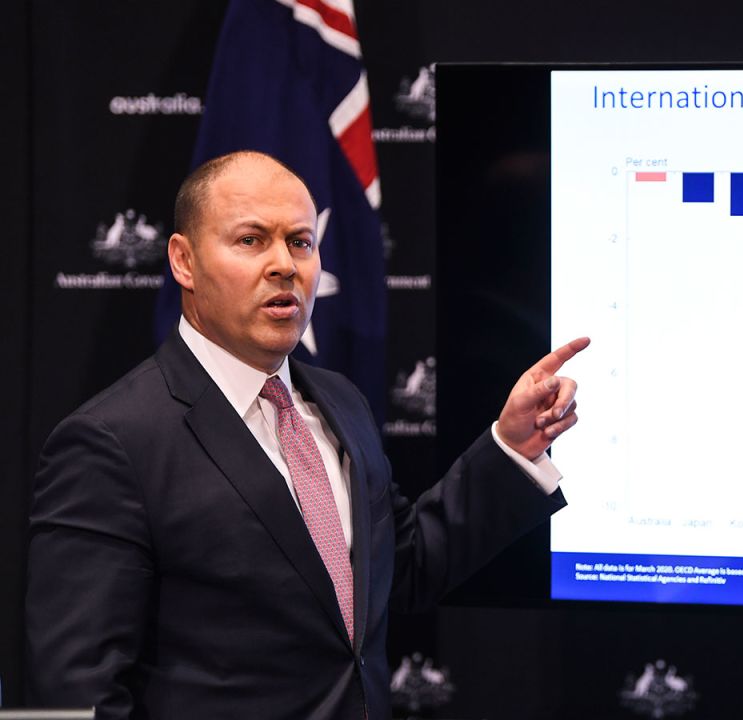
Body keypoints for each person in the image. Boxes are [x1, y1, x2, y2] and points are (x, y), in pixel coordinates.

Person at [25, 151, 589, 719]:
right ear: (184, 261)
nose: (284, 265)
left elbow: (401, 570)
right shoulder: (111, 443)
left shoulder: (341, 401)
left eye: (300, 242)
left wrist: (515, 447)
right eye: (250, 240)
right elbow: (77, 689)